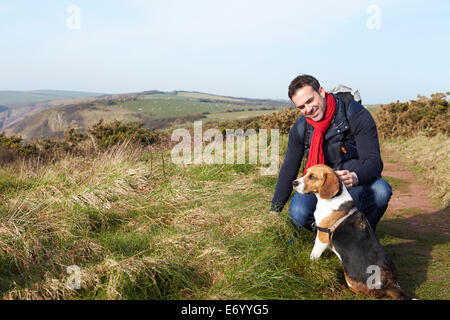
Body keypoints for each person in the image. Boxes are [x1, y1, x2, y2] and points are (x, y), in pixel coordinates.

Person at [270, 74, 392, 232]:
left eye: (310, 100)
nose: (308, 109)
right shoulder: (300, 128)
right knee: (298, 213)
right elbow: (289, 168)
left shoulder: (355, 114)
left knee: (380, 192)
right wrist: (274, 210)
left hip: (354, 180)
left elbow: (374, 162)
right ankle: (324, 232)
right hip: (318, 183)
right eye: (301, 107)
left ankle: (363, 231)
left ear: (321, 92)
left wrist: (355, 177)